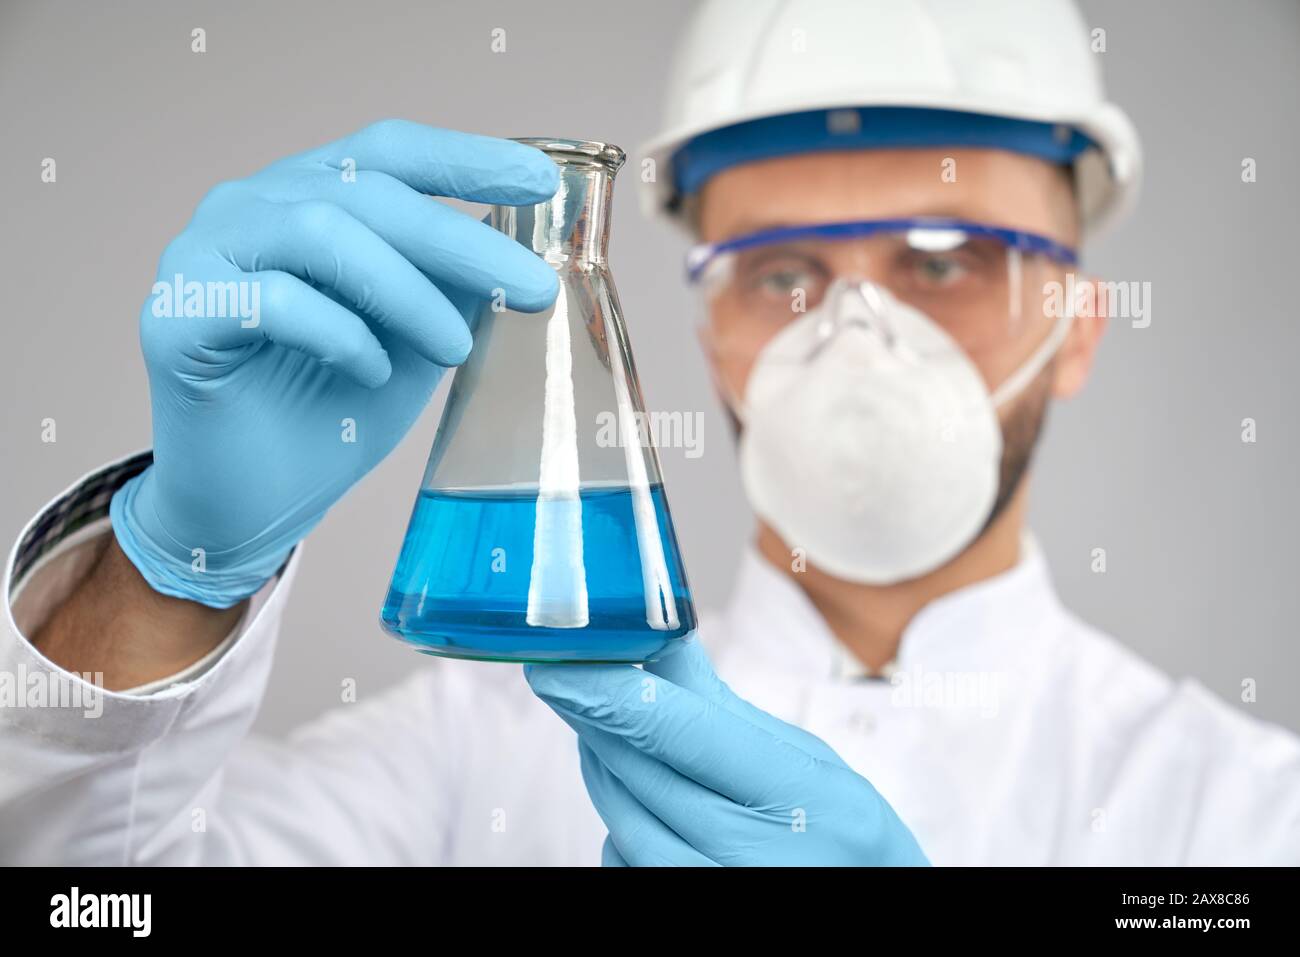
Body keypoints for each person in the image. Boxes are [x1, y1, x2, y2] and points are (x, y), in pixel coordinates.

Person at [2, 0, 1297, 866]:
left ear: (1076, 324)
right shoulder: (473, 738)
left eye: (947, 260)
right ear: (708, 321)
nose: (854, 332)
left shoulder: (1239, 815)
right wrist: (168, 573)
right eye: (780, 271)